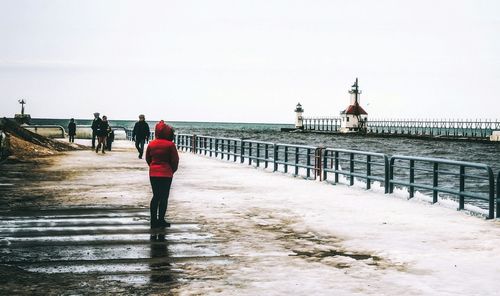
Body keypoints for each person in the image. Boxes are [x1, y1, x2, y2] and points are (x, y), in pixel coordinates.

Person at [145, 121, 179, 228]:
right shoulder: (170, 145)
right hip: (166, 174)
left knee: (156, 196)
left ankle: (153, 220)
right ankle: (161, 219)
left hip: (154, 173)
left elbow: (148, 158)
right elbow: (175, 160)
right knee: (164, 197)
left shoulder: (152, 144)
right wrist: (171, 170)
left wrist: (153, 166)